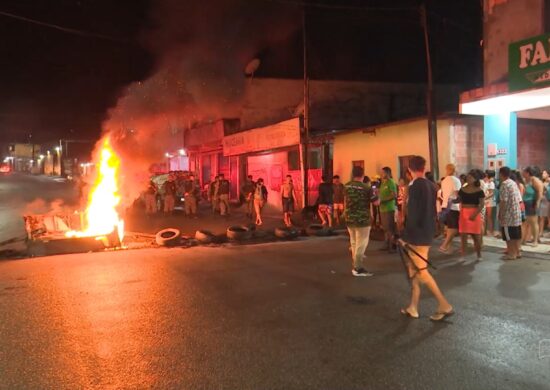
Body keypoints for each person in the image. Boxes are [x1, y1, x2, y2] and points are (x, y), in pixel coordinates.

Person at [399, 155, 454, 321]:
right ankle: (413, 306)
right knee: (414, 271)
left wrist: (404, 235)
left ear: (409, 169)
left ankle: (444, 304)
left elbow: (414, 213)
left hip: (416, 235)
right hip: (427, 232)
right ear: (423, 167)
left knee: (421, 272)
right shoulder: (431, 185)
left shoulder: (415, 186)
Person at [344, 165, 374, 277]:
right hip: (362, 220)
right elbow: (376, 202)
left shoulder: (346, 186)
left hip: (350, 218)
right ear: (363, 175)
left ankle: (355, 264)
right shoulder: (366, 188)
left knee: (354, 242)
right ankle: (357, 267)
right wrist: (374, 190)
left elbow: (345, 200)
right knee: (361, 244)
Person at [457, 170, 485, 261]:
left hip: (474, 212)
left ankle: (479, 255)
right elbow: (459, 200)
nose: (468, 179)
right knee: (463, 236)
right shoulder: (462, 189)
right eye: (467, 177)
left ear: (475, 179)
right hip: (463, 212)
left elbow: (481, 204)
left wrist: (475, 214)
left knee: (476, 236)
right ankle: (462, 255)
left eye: (470, 177)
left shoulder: (479, 191)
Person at [499, 167, 523, 260]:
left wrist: (501, 213)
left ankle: (512, 254)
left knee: (509, 236)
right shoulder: (513, 183)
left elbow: (503, 201)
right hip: (516, 213)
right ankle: (517, 252)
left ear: (501, 174)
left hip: (508, 214)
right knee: (516, 234)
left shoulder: (504, 184)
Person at [439, 164, 462, 253]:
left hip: (445, 205)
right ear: (454, 170)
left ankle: (448, 246)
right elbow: (457, 195)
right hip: (453, 206)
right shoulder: (456, 180)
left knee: (450, 227)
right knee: (454, 228)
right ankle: (444, 245)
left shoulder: (444, 180)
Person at [379, 167, 397, 252]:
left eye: (383, 172)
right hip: (382, 208)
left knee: (390, 228)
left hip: (389, 208)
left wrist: (383, 200)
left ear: (388, 173)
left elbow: (394, 195)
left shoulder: (391, 182)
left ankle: (392, 246)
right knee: (385, 228)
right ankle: (386, 244)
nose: (381, 174)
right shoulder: (383, 183)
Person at [484, 170, 497, 236]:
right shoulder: (485, 181)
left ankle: (490, 231)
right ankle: (485, 231)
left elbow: (491, 193)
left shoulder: (491, 183)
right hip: (485, 200)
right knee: (484, 216)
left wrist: (485, 198)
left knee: (489, 216)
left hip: (489, 201)